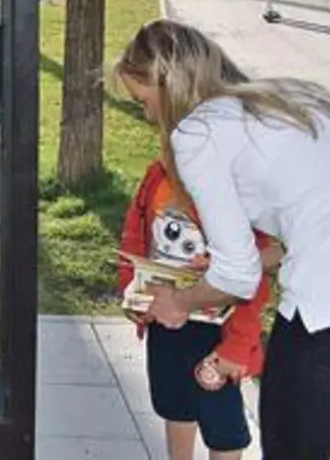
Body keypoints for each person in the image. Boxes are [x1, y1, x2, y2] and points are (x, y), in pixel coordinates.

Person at [113, 20, 330, 459]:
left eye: (144, 101)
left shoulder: (199, 131)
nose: (147, 115)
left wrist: (178, 302)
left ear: (168, 83)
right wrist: (225, 269)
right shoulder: (298, 96)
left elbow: (237, 276)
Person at [117, 153, 273, 459]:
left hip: (218, 334)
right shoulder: (156, 176)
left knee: (223, 425)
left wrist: (238, 344)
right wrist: (133, 293)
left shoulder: (234, 188)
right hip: (163, 321)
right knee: (174, 405)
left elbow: (253, 278)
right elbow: (135, 238)